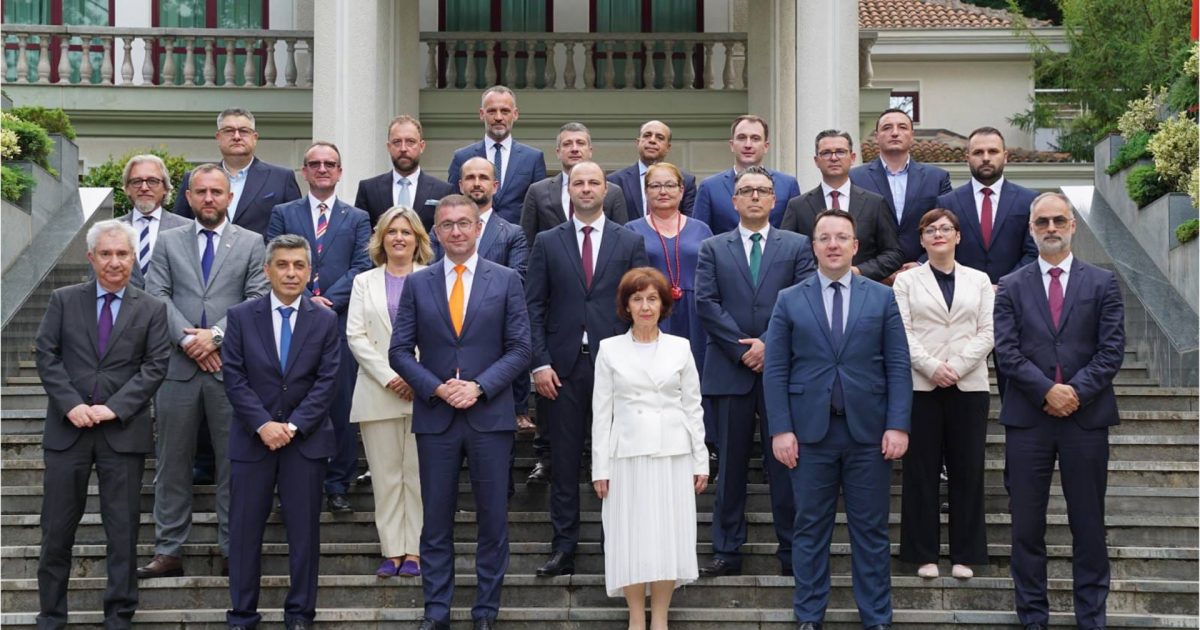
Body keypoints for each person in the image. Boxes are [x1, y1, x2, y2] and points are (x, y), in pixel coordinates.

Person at [388, 194, 532, 630]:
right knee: (435, 522)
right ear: (435, 231)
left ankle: (485, 612)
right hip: (437, 418)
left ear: (478, 228)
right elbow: (399, 351)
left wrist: (479, 386)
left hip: (490, 417)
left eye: (463, 223)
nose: (455, 231)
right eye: (447, 224)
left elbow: (521, 348)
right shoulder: (418, 283)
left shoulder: (506, 280)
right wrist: (436, 388)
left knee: (493, 520)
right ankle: (436, 611)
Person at [764, 208, 912, 630]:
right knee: (810, 529)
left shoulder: (881, 297)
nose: (833, 245)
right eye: (824, 238)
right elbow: (776, 369)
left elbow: (898, 365)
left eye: (841, 237)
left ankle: (876, 617)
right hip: (809, 435)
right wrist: (781, 429)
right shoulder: (789, 299)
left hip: (869, 433)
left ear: (855, 246)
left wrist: (898, 424)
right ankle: (809, 615)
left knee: (871, 531)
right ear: (813, 246)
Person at [994, 192, 1125, 630]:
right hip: (1028, 421)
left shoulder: (1103, 282)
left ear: (1073, 225)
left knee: (1088, 524)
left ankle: (1092, 617)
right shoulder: (1011, 286)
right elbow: (1007, 353)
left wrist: (1075, 392)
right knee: (1026, 527)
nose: (1050, 228)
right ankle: (1033, 617)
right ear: (1031, 229)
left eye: (1058, 220)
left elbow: (1111, 350)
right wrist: (1047, 391)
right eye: (1042, 222)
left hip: (1085, 420)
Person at [35, 219, 170, 630]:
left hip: (122, 433)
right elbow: (47, 354)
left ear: (133, 258)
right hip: (68, 431)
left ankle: (119, 615)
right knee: (56, 531)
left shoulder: (152, 308)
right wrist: (71, 405)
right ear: (91, 258)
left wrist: (115, 408)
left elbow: (155, 366)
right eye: (106, 254)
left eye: (122, 254)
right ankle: (51, 616)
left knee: (123, 532)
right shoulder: (63, 300)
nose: (114, 262)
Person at [139, 164, 269, 579]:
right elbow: (156, 295)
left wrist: (215, 336)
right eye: (201, 192)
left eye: (216, 191)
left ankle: (235, 548)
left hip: (230, 370)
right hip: (177, 369)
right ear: (189, 197)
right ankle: (168, 549)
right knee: (171, 463)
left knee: (235, 463)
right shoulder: (168, 241)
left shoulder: (252, 242)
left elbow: (257, 297)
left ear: (229, 197)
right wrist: (189, 342)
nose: (209, 198)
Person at [525, 161, 649, 577]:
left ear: (606, 190)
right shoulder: (547, 241)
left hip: (616, 366)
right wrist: (540, 362)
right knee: (563, 462)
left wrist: (636, 361)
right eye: (578, 183)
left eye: (593, 182)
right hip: (560, 370)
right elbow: (533, 305)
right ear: (569, 191)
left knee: (616, 459)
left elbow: (640, 304)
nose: (585, 188)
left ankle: (617, 545)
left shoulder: (629, 241)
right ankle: (564, 547)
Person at [695, 165, 815, 578]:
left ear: (774, 199)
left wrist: (768, 344)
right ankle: (727, 550)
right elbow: (706, 303)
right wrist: (742, 348)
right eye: (746, 190)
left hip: (782, 369)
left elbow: (803, 300)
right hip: (729, 369)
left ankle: (792, 551)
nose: (755, 197)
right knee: (729, 467)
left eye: (762, 190)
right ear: (734, 201)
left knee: (785, 464)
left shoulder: (797, 245)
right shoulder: (713, 247)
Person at [222, 234, 341, 630]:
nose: (291, 273)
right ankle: (242, 615)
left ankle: (300, 614)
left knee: (304, 534)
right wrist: (263, 424)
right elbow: (234, 377)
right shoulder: (241, 316)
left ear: (310, 272)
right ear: (267, 270)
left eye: (299, 266)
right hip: (251, 440)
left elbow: (327, 381)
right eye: (283, 265)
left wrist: (291, 426)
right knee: (244, 533)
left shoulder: (325, 320)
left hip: (304, 442)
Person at [591, 267, 709, 630]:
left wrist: (700, 460)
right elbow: (601, 413)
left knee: (667, 538)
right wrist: (600, 468)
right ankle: (635, 618)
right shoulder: (609, 349)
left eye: (652, 299)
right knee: (631, 538)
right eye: (637, 299)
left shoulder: (680, 347)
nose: (645, 306)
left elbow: (693, 406)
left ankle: (660, 619)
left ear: (663, 304)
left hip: (673, 455)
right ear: (626, 305)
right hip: (626, 456)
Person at [267, 141, 373, 514]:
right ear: (305, 171)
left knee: (340, 404)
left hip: (339, 323)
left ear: (340, 171)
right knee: (292, 402)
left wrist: (327, 300)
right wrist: (303, 300)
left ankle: (338, 483)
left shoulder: (357, 217)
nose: (323, 169)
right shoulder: (283, 213)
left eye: (330, 164)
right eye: (315, 164)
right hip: (290, 322)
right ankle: (292, 485)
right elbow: (275, 259)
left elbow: (362, 265)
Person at [892, 209, 994, 580]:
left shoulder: (979, 280)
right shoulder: (906, 281)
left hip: (969, 385)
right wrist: (933, 366)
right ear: (921, 239)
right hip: (922, 385)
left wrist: (958, 366)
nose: (938, 234)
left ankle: (967, 554)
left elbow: (988, 331)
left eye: (945, 228)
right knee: (920, 471)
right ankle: (922, 554)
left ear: (958, 236)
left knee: (968, 469)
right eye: (930, 229)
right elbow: (902, 331)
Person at [346, 206, 433, 579]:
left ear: (418, 239)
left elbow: (443, 334)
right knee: (385, 478)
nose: (399, 238)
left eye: (406, 232)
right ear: (381, 239)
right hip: (377, 391)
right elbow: (355, 336)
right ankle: (392, 550)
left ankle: (415, 550)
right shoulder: (363, 282)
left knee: (418, 476)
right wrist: (390, 377)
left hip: (423, 392)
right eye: (392, 231)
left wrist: (415, 377)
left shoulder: (433, 277)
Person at [624, 163, 713, 445]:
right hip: (652, 315)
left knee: (695, 376)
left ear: (681, 190)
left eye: (670, 185)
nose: (663, 191)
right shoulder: (631, 230)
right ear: (646, 191)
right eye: (655, 186)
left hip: (696, 315)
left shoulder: (701, 229)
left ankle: (701, 442)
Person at [444, 157, 534, 435]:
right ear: (460, 185)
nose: (476, 183)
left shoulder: (513, 233)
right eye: (470, 178)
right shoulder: (441, 233)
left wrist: (476, 301)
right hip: (449, 338)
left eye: (483, 178)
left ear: (495, 185)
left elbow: (518, 280)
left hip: (496, 336)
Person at [781, 129, 902, 282]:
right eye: (826, 153)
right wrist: (817, 275)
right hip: (813, 289)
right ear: (816, 161)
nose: (834, 158)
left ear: (852, 158)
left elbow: (893, 253)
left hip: (862, 287)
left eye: (840, 152)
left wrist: (859, 271)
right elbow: (785, 253)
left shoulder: (875, 204)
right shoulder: (798, 206)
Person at [850, 108, 953, 274]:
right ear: (876, 136)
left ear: (912, 135)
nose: (895, 133)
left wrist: (922, 263)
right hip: (871, 276)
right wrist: (878, 270)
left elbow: (948, 226)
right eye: (887, 128)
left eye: (902, 127)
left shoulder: (937, 178)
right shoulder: (855, 178)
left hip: (925, 273)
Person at [174, 107, 302, 238]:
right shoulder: (194, 179)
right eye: (229, 131)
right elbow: (179, 229)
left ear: (255, 138)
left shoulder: (282, 179)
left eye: (243, 131)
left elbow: (296, 231)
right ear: (218, 137)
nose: (236, 137)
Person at [937, 126, 1038, 286]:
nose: (985, 158)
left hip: (1015, 293)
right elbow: (941, 251)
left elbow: (1034, 252)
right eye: (978, 152)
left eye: (993, 151)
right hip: (962, 293)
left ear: (1005, 157)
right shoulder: (947, 203)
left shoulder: (1029, 201)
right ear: (967, 158)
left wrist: (1005, 286)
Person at [448, 85, 547, 225]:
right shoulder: (462, 157)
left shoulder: (533, 158)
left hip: (518, 236)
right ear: (482, 114)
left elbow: (540, 208)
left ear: (515, 114)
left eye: (505, 111)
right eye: (492, 111)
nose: (498, 117)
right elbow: (453, 204)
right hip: (474, 235)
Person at [519, 121, 629, 246]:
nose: (574, 149)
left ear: (590, 151)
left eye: (580, 143)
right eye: (567, 144)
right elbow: (526, 242)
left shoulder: (613, 192)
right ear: (558, 152)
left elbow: (621, 240)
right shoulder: (537, 191)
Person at [693, 115, 801, 234]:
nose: (748, 145)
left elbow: (795, 237)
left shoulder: (787, 185)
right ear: (732, 145)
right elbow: (700, 235)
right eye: (741, 138)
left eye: (755, 138)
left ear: (766, 146)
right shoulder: (710, 188)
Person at [354, 114, 454, 233]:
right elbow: (362, 237)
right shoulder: (368, 189)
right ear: (388, 147)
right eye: (397, 142)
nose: (403, 148)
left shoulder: (443, 191)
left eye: (410, 142)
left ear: (422, 146)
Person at [115, 154, 190, 289]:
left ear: (165, 188)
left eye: (152, 181)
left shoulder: (188, 229)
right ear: (127, 189)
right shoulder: (110, 230)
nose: (144, 187)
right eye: (136, 181)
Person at [607, 120, 698, 217]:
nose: (652, 140)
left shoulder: (686, 181)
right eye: (647, 135)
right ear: (638, 142)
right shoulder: (615, 180)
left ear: (668, 147)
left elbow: (690, 221)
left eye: (660, 137)